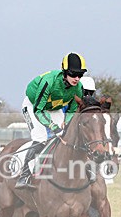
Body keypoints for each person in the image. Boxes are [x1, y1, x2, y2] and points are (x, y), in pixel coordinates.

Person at [16, 52, 86, 189]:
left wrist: (66, 122)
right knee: (41, 137)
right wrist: (53, 127)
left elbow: (72, 109)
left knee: (67, 135)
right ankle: (24, 175)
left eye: (80, 74)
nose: (77, 78)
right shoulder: (49, 81)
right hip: (34, 105)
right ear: (65, 72)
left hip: (54, 107)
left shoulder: (78, 88)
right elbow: (38, 110)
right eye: (73, 74)